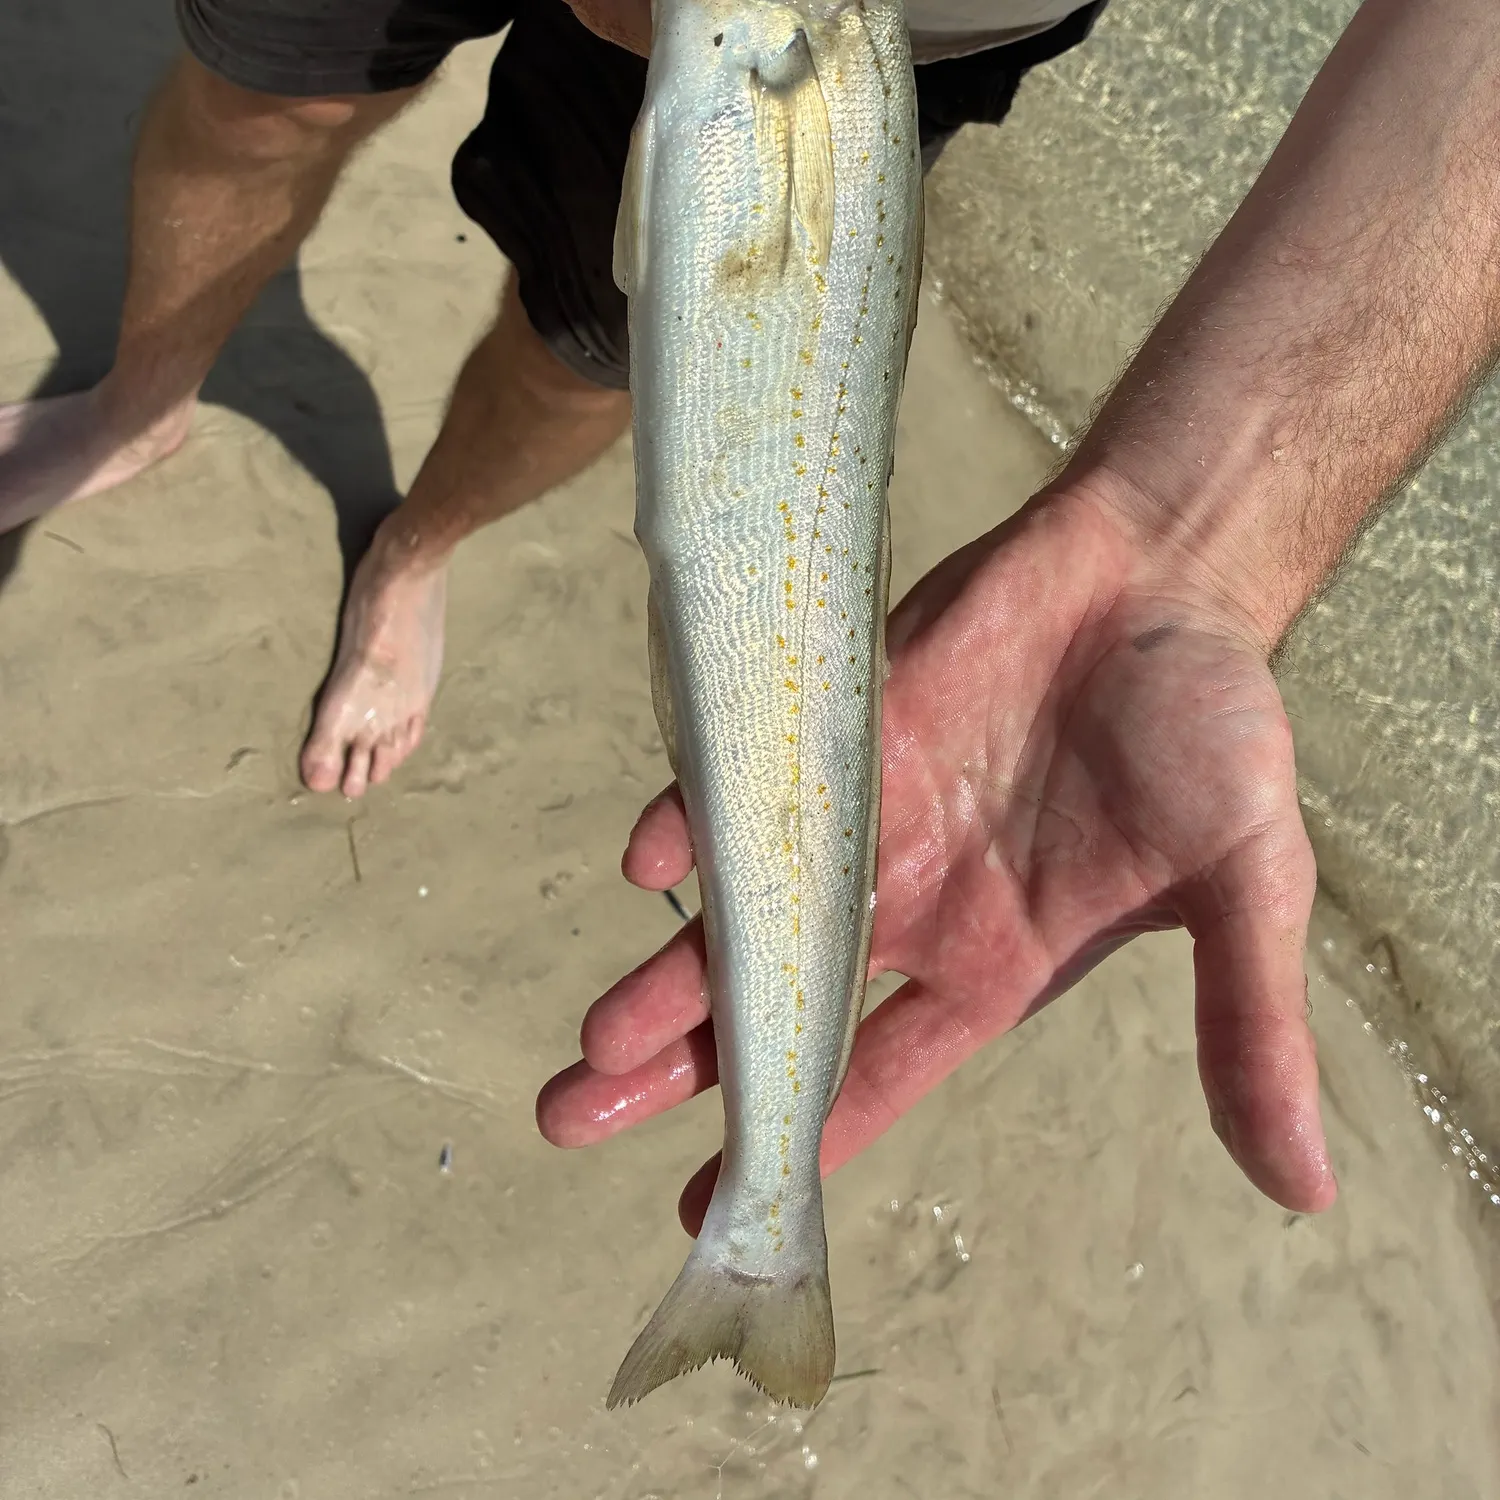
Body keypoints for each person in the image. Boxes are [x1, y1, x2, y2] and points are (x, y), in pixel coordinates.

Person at [4, 0, 1497, 1213]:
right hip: (788, 51)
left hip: (838, 51)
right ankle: (141, 400)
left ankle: (417, 546)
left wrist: (1193, 545)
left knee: (593, 334)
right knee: (260, 92)